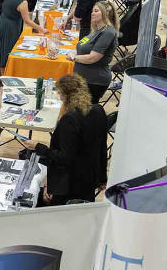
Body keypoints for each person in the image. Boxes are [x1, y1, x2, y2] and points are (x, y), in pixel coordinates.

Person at [20, 74, 108, 205]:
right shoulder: (99, 110)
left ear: (66, 95)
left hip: (70, 184)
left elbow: (64, 158)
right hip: (89, 179)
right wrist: (102, 178)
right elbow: (102, 147)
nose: (59, 97)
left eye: (60, 93)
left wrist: (38, 146)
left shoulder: (70, 119)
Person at [0, 0, 45, 70]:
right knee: (5, 53)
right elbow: (27, 20)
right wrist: (42, 29)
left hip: (0, 22)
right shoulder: (22, 2)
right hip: (10, 28)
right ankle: (2, 74)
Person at [70, 1, 119, 103]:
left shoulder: (108, 32)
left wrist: (74, 57)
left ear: (106, 13)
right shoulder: (96, 29)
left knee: (84, 113)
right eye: (92, 11)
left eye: (96, 11)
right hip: (84, 78)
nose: (92, 13)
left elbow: (93, 58)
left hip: (94, 81)